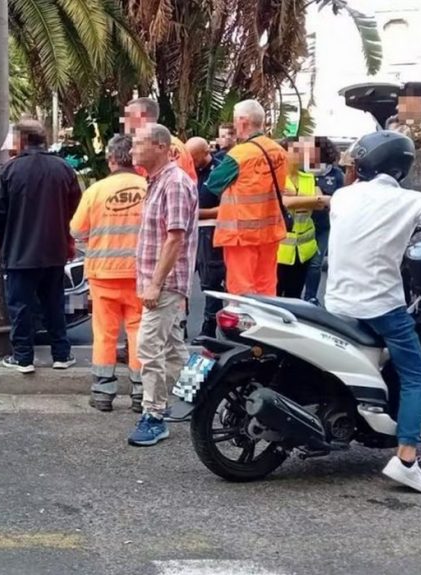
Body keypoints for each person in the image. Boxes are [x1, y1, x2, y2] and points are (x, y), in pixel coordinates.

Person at [325, 130, 421, 494]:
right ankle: (407, 458)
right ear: (401, 166)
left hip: (336, 301)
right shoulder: (412, 201)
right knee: (418, 377)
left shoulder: (342, 196)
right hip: (380, 306)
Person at [0, 119, 80, 373]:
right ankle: (61, 354)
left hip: (19, 252)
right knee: (54, 304)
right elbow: (75, 207)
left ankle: (23, 357)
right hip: (54, 250)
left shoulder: (10, 171)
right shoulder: (64, 169)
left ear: (22, 140)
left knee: (20, 306)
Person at [128, 123, 198, 447]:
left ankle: (154, 415)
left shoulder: (174, 183)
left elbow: (175, 238)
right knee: (172, 348)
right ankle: (198, 400)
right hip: (155, 283)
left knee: (149, 347)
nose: (131, 150)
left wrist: (155, 284)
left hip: (165, 284)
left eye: (137, 144)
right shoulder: (156, 182)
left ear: (158, 146)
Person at [71, 134, 147, 412]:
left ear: (111, 159)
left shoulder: (96, 191)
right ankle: (141, 394)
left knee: (104, 333)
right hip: (141, 276)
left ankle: (103, 392)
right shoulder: (149, 188)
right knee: (139, 331)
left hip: (103, 275)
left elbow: (77, 231)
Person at [205, 99, 288, 296]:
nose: (234, 125)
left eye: (234, 121)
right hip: (270, 231)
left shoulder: (240, 154)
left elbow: (213, 185)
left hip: (241, 233)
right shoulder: (279, 152)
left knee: (242, 292)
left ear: (243, 121)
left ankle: (244, 327)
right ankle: (267, 325)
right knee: (267, 287)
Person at [275, 137, 329, 298]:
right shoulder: (276, 177)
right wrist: (312, 199)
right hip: (279, 250)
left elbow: (320, 205)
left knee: (294, 296)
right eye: (296, 151)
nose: (301, 155)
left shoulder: (308, 177)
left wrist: (298, 198)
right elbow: (285, 203)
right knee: (275, 298)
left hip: (304, 250)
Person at [186, 136, 224, 337]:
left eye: (193, 157)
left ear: (205, 152)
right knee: (180, 281)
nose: (190, 161)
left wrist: (197, 213)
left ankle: (209, 330)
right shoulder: (185, 170)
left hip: (209, 231)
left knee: (210, 283)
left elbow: (226, 207)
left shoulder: (219, 172)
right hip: (186, 231)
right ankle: (179, 327)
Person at [302, 137, 344, 304]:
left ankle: (310, 297)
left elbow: (342, 198)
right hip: (303, 225)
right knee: (299, 264)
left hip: (324, 226)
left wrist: (325, 199)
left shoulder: (336, 175)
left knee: (315, 263)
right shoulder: (302, 172)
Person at [121, 97, 197, 182]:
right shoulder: (145, 145)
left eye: (129, 117)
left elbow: (174, 181)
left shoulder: (170, 147)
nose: (124, 121)